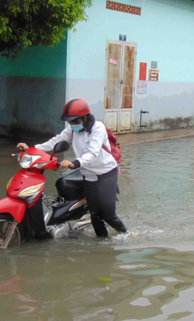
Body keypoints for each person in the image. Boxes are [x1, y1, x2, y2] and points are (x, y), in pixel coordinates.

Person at [17, 99, 126, 238]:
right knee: (95, 215)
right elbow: (55, 141)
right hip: (88, 174)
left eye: (73, 121)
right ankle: (102, 244)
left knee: (109, 216)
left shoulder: (98, 128)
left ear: (85, 117)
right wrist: (33, 149)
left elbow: (93, 153)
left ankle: (126, 235)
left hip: (105, 173)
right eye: (69, 121)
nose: (71, 124)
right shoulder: (73, 129)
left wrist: (74, 163)